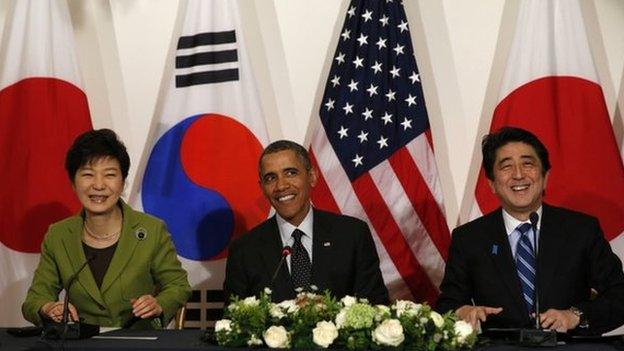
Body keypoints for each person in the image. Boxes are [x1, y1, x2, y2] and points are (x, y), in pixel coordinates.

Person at [437, 126, 624, 335]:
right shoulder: (469, 238)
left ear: (545, 177)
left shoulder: (580, 230)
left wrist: (575, 316)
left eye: (528, 164)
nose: (518, 174)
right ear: (492, 184)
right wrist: (462, 312)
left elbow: (620, 294)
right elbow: (447, 304)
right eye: (506, 166)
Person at [22, 129, 191, 329]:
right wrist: (49, 307)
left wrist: (158, 304)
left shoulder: (151, 231)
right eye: (88, 174)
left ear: (122, 182)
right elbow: (35, 298)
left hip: (136, 340)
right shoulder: (58, 235)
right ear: (73, 183)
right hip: (81, 342)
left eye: (110, 175)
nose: (99, 185)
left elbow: (178, 285)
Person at [223, 140, 388, 304]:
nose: (281, 186)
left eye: (290, 173)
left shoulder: (352, 235)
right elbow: (234, 320)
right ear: (262, 188)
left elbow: (375, 305)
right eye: (271, 178)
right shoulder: (244, 250)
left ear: (312, 177)